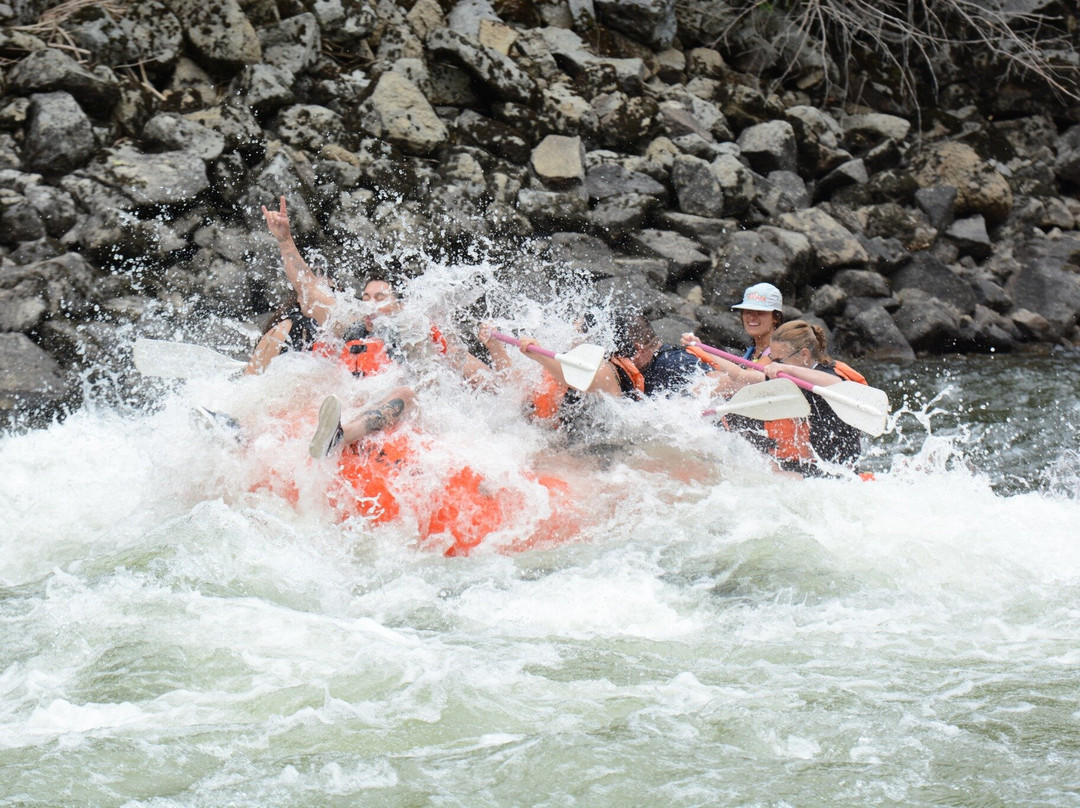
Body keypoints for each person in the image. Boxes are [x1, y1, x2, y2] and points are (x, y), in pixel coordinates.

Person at [694, 320, 868, 477]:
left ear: (804, 355)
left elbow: (835, 384)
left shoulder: (827, 374)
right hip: (813, 463)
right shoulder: (788, 374)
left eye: (779, 359)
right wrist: (702, 350)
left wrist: (789, 370)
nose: (774, 364)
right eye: (772, 359)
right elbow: (741, 376)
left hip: (838, 471)